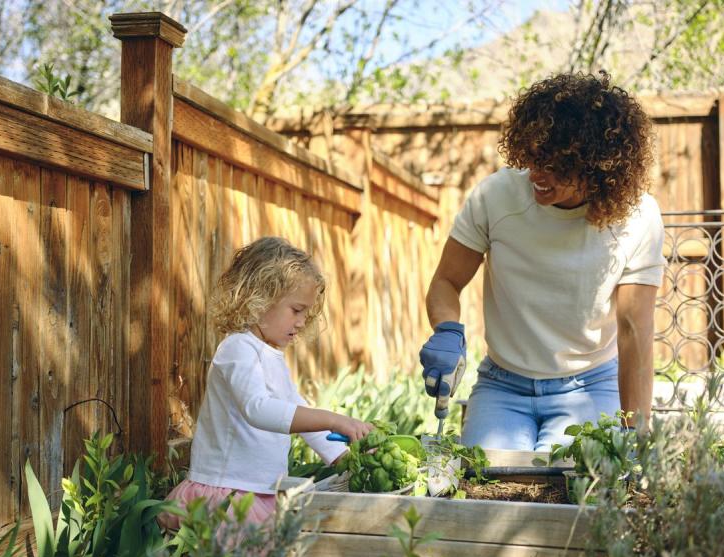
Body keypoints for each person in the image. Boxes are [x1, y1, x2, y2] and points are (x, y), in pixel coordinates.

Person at [420, 71, 665, 452]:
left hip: (589, 384)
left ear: (599, 168)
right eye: (534, 158)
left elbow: (634, 330)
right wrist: (447, 330)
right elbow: (446, 282)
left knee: (578, 490)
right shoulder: (496, 197)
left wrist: (636, 431)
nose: (537, 174)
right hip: (503, 383)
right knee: (486, 484)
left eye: (557, 166)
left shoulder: (637, 218)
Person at [161, 236, 373, 530]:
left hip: (260, 494)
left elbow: (292, 407)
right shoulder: (237, 349)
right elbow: (258, 409)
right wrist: (335, 420)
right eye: (296, 310)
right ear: (258, 299)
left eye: (306, 313)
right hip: (228, 495)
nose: (301, 322)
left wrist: (342, 456)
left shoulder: (271, 355)